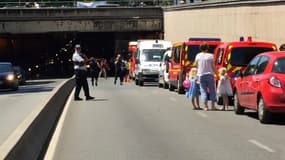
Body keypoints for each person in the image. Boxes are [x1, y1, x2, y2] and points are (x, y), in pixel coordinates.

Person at [194, 42, 217, 111]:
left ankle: (205, 106)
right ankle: (212, 106)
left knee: (203, 90)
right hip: (210, 74)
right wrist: (217, 73)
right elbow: (213, 66)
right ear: (207, 48)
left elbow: (196, 65)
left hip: (201, 75)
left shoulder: (198, 55)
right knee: (212, 90)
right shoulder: (211, 56)